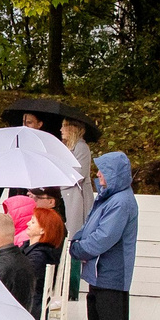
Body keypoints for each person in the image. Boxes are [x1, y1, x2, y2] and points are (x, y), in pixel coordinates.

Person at [62, 150, 138, 320]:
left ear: (114, 174)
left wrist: (78, 249)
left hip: (112, 272)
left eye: (103, 171)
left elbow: (104, 237)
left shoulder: (121, 202)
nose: (98, 174)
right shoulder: (108, 197)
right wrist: (78, 240)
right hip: (99, 270)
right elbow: (90, 226)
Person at [60, 118, 97, 293]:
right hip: (65, 195)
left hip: (76, 197)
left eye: (64, 126)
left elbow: (78, 175)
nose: (61, 129)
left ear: (73, 129)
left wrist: (57, 181)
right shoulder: (65, 147)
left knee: (74, 238)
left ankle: (72, 287)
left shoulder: (81, 147)